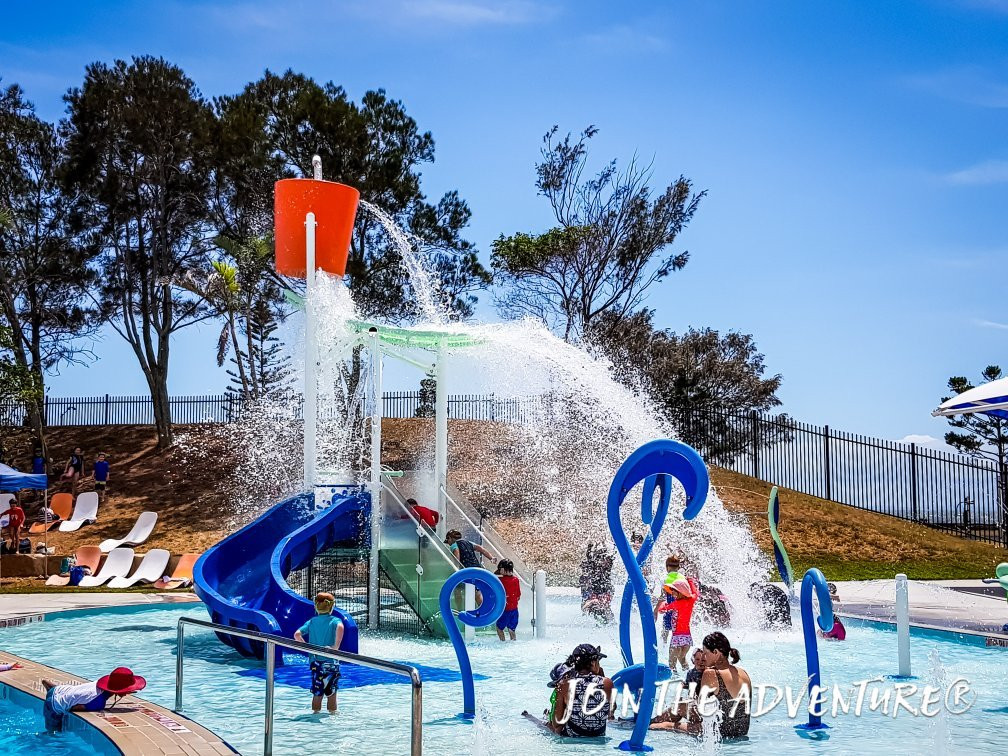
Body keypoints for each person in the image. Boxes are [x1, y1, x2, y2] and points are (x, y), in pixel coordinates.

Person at [41, 667, 146, 732]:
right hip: (53, 705)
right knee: (54, 734)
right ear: (121, 691)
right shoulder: (98, 702)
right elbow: (74, 708)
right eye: (129, 690)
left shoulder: (98, 685)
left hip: (59, 690)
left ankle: (50, 688)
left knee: (72, 693)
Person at [294, 592, 345, 714]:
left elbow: (297, 634)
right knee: (332, 693)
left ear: (316, 606)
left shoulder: (312, 621)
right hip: (331, 662)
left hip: (315, 662)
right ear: (332, 607)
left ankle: (315, 714)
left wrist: (307, 648)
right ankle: (332, 715)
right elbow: (341, 627)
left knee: (317, 693)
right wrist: (335, 646)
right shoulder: (335, 620)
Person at [550, 644, 614, 737]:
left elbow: (556, 722)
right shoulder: (607, 683)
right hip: (598, 735)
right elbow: (610, 713)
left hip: (572, 736)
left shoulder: (564, 684)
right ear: (593, 663)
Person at [650, 648, 707, 726]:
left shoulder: (708, 674)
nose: (700, 662)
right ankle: (654, 721)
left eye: (703, 660)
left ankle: (652, 722)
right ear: (693, 660)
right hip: (697, 706)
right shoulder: (691, 673)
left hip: (705, 710)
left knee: (679, 706)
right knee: (679, 702)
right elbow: (690, 693)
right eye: (697, 659)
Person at [656, 576, 697, 674]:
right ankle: (690, 678)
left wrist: (663, 603)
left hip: (677, 638)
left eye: (674, 591)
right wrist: (690, 581)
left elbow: (661, 610)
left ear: (681, 592)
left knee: (672, 664)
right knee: (682, 660)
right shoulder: (691, 600)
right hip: (687, 638)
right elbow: (695, 593)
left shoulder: (676, 604)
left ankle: (675, 681)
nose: (672, 593)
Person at [495, 559, 521, 641]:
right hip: (514, 610)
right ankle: (513, 642)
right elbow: (518, 596)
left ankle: (502, 642)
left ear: (502, 569)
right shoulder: (516, 580)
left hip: (505, 610)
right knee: (511, 629)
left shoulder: (500, 580)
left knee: (499, 628)